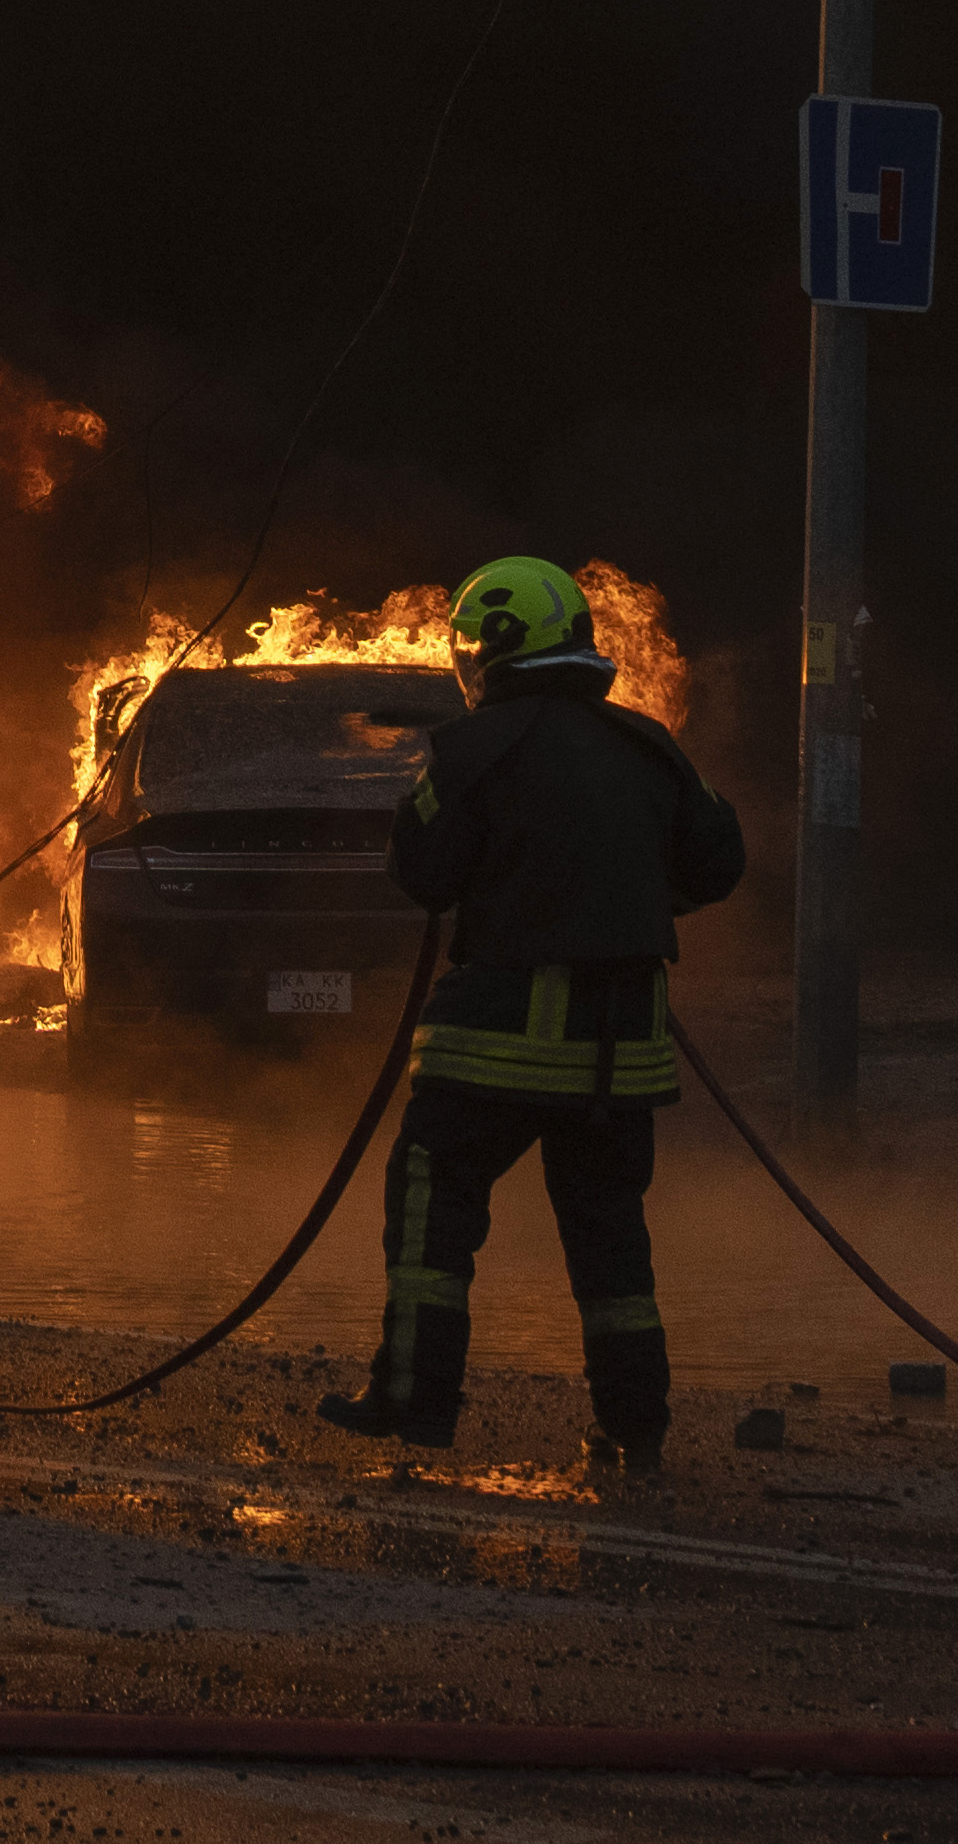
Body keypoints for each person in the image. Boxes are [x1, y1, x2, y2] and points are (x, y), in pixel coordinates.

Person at [328, 553, 743, 1471]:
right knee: (608, 1235)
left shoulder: (471, 751)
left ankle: (414, 1398)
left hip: (498, 1040)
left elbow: (420, 873)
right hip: (621, 1050)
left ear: (492, 647)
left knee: (432, 1200)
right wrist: (628, 904)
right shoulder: (650, 746)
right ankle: (636, 1425)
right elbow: (720, 860)